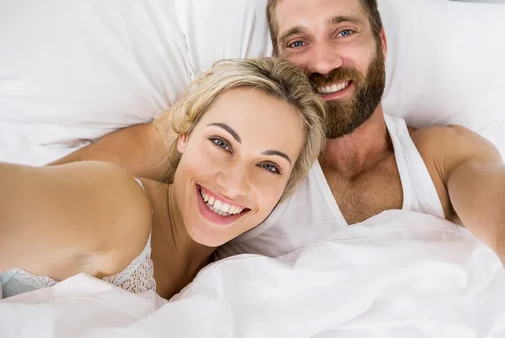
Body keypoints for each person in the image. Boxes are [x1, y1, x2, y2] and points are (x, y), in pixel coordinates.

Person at [48, 0, 505, 318]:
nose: (324, 60)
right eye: (297, 42)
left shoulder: (441, 156)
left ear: (380, 41)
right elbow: (59, 193)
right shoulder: (236, 155)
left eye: (343, 31)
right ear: (277, 58)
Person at [0, 58, 325, 300]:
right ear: (184, 136)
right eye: (222, 143)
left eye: (269, 166)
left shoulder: (230, 280)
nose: (235, 183)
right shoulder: (117, 205)